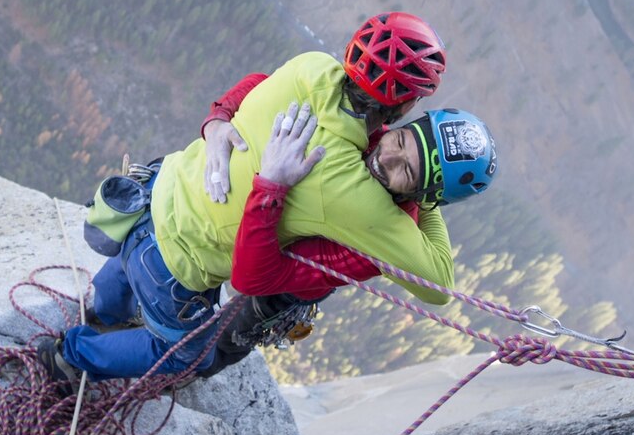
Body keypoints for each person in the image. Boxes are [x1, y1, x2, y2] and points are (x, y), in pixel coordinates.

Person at [37, 12, 459, 384]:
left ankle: (103, 315)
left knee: (130, 269)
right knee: (185, 356)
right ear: (404, 109)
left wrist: (218, 119)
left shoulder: (310, 67)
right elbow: (439, 285)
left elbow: (259, 83)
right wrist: (426, 193)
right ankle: (70, 358)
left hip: (155, 191)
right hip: (172, 265)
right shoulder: (349, 190)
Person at [198, 104, 497, 378]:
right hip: (238, 232)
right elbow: (266, 83)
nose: (387, 156)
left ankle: (190, 368)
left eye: (407, 171)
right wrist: (218, 120)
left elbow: (253, 279)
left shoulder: (381, 240)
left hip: (283, 280)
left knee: (214, 350)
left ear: (421, 194)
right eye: (402, 140)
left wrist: (271, 188)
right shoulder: (368, 131)